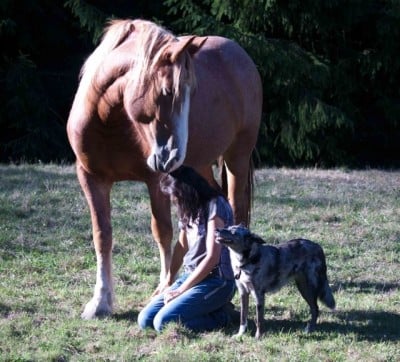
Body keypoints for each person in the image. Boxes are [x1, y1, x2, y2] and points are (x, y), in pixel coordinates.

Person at [137, 165, 236, 332]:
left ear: (186, 192)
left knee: (163, 323)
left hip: (218, 281)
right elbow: (182, 245)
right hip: (192, 275)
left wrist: (181, 290)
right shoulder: (189, 208)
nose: (174, 202)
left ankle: (224, 316)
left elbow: (212, 257)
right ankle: (207, 310)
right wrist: (168, 280)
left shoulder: (215, 207)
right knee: (145, 320)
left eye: (175, 197)